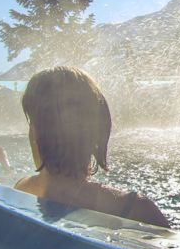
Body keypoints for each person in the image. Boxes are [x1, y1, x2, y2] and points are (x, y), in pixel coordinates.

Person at [13, 67, 169, 227]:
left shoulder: (19, 192)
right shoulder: (137, 211)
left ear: (37, 133)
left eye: (32, 122)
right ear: (98, 130)